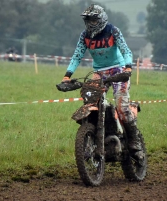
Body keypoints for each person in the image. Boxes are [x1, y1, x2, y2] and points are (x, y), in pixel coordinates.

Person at [61, 4, 143, 160]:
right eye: (88, 20)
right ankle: (96, 133)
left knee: (121, 105)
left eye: (93, 20)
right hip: (99, 72)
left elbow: (126, 51)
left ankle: (134, 141)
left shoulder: (113, 31)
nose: (90, 23)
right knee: (91, 101)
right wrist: (67, 75)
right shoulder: (84, 35)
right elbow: (77, 55)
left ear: (101, 19)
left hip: (119, 70)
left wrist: (128, 68)